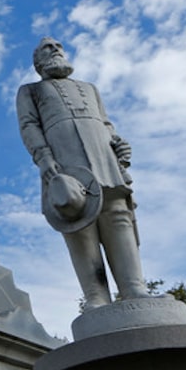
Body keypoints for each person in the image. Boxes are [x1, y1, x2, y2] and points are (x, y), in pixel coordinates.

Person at [16, 37, 144, 309]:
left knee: (118, 215)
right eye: (46, 48)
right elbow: (29, 126)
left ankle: (134, 287)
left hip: (104, 157)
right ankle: (96, 296)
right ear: (37, 62)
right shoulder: (30, 91)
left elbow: (107, 124)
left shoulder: (89, 89)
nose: (55, 49)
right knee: (79, 221)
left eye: (58, 46)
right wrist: (43, 157)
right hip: (65, 160)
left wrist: (118, 145)